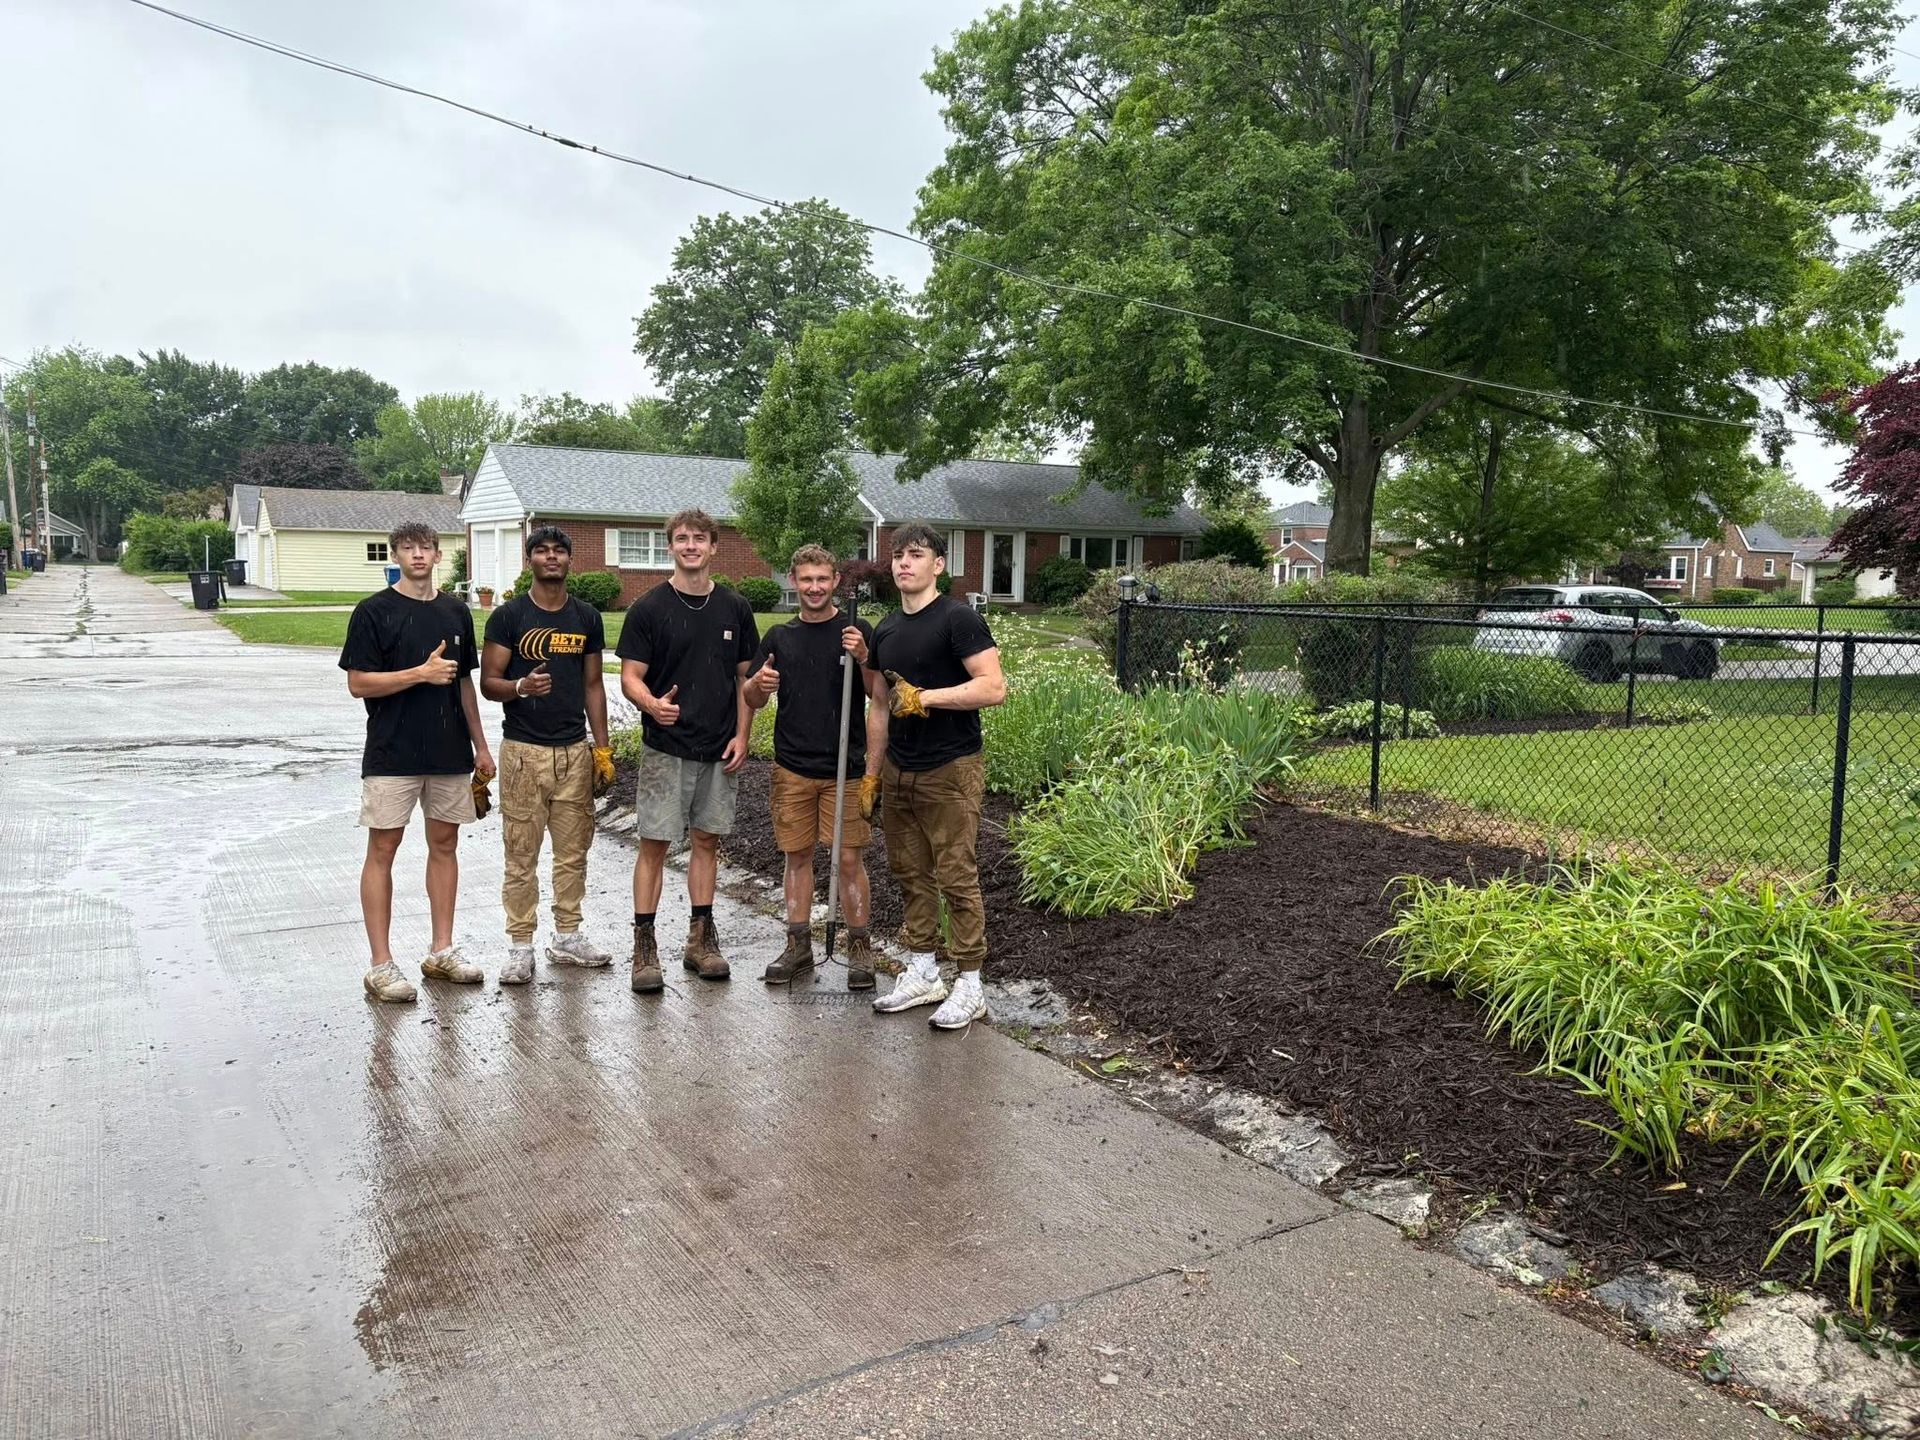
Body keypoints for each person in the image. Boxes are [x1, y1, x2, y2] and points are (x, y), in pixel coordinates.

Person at [339, 520, 494, 1002]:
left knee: (445, 845)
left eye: (426, 548)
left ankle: (441, 951)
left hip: (448, 752)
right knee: (382, 850)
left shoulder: (456, 613)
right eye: (408, 548)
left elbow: (465, 683)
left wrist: (481, 745)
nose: (419, 556)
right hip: (392, 753)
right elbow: (359, 683)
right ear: (397, 556)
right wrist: (419, 674)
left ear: (439, 555)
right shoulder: (373, 612)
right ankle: (381, 965)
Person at [864, 522, 1007, 1030]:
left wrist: (926, 697)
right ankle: (924, 970)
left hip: (951, 767)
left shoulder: (958, 619)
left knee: (957, 876)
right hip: (901, 770)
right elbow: (879, 707)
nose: (904, 563)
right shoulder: (886, 629)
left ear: (938, 565)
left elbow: (993, 687)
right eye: (898, 555)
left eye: (916, 554)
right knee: (909, 873)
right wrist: (872, 776)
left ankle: (971, 982)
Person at [616, 509, 758, 993]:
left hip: (719, 747)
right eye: (682, 538)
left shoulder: (735, 608)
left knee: (707, 841)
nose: (691, 545)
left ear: (714, 547)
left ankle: (700, 940)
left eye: (700, 538)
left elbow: (745, 679)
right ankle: (644, 946)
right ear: (670, 547)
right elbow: (630, 676)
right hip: (666, 747)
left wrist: (744, 734)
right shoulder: (649, 608)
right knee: (654, 844)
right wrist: (652, 704)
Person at [744, 545, 888, 989]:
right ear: (792, 580)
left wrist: (864, 655)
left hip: (843, 767)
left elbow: (876, 694)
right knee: (798, 855)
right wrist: (758, 685)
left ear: (835, 582)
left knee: (847, 858)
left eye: (822, 579)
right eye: (805, 579)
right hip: (793, 767)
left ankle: (860, 945)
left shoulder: (854, 629)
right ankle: (798, 944)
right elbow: (751, 698)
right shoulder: (779, 638)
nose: (814, 587)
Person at [479, 526, 617, 985]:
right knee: (521, 853)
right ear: (530, 560)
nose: (551, 557)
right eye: (542, 551)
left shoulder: (587, 618)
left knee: (573, 851)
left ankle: (568, 936)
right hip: (522, 753)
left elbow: (594, 684)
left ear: (570, 560)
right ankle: (520, 944)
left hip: (574, 752)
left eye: (559, 551)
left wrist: (602, 748)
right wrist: (521, 686)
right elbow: (488, 683)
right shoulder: (508, 617)